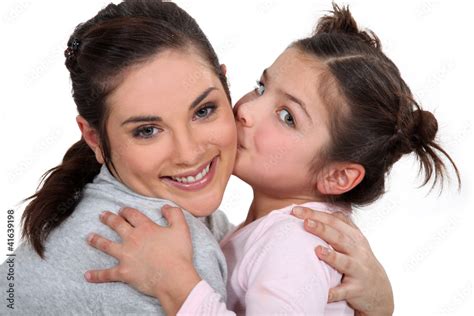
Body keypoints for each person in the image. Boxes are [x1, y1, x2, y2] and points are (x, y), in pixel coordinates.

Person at [0, 1, 393, 315]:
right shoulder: (153, 249)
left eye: (203, 110)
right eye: (147, 130)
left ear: (223, 81)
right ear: (94, 137)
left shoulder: (194, 237)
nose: (189, 152)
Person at [84, 3, 460, 316]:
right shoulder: (277, 230)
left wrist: (175, 283)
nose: (246, 110)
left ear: (337, 176)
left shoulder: (296, 245)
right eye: (262, 87)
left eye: (287, 116)